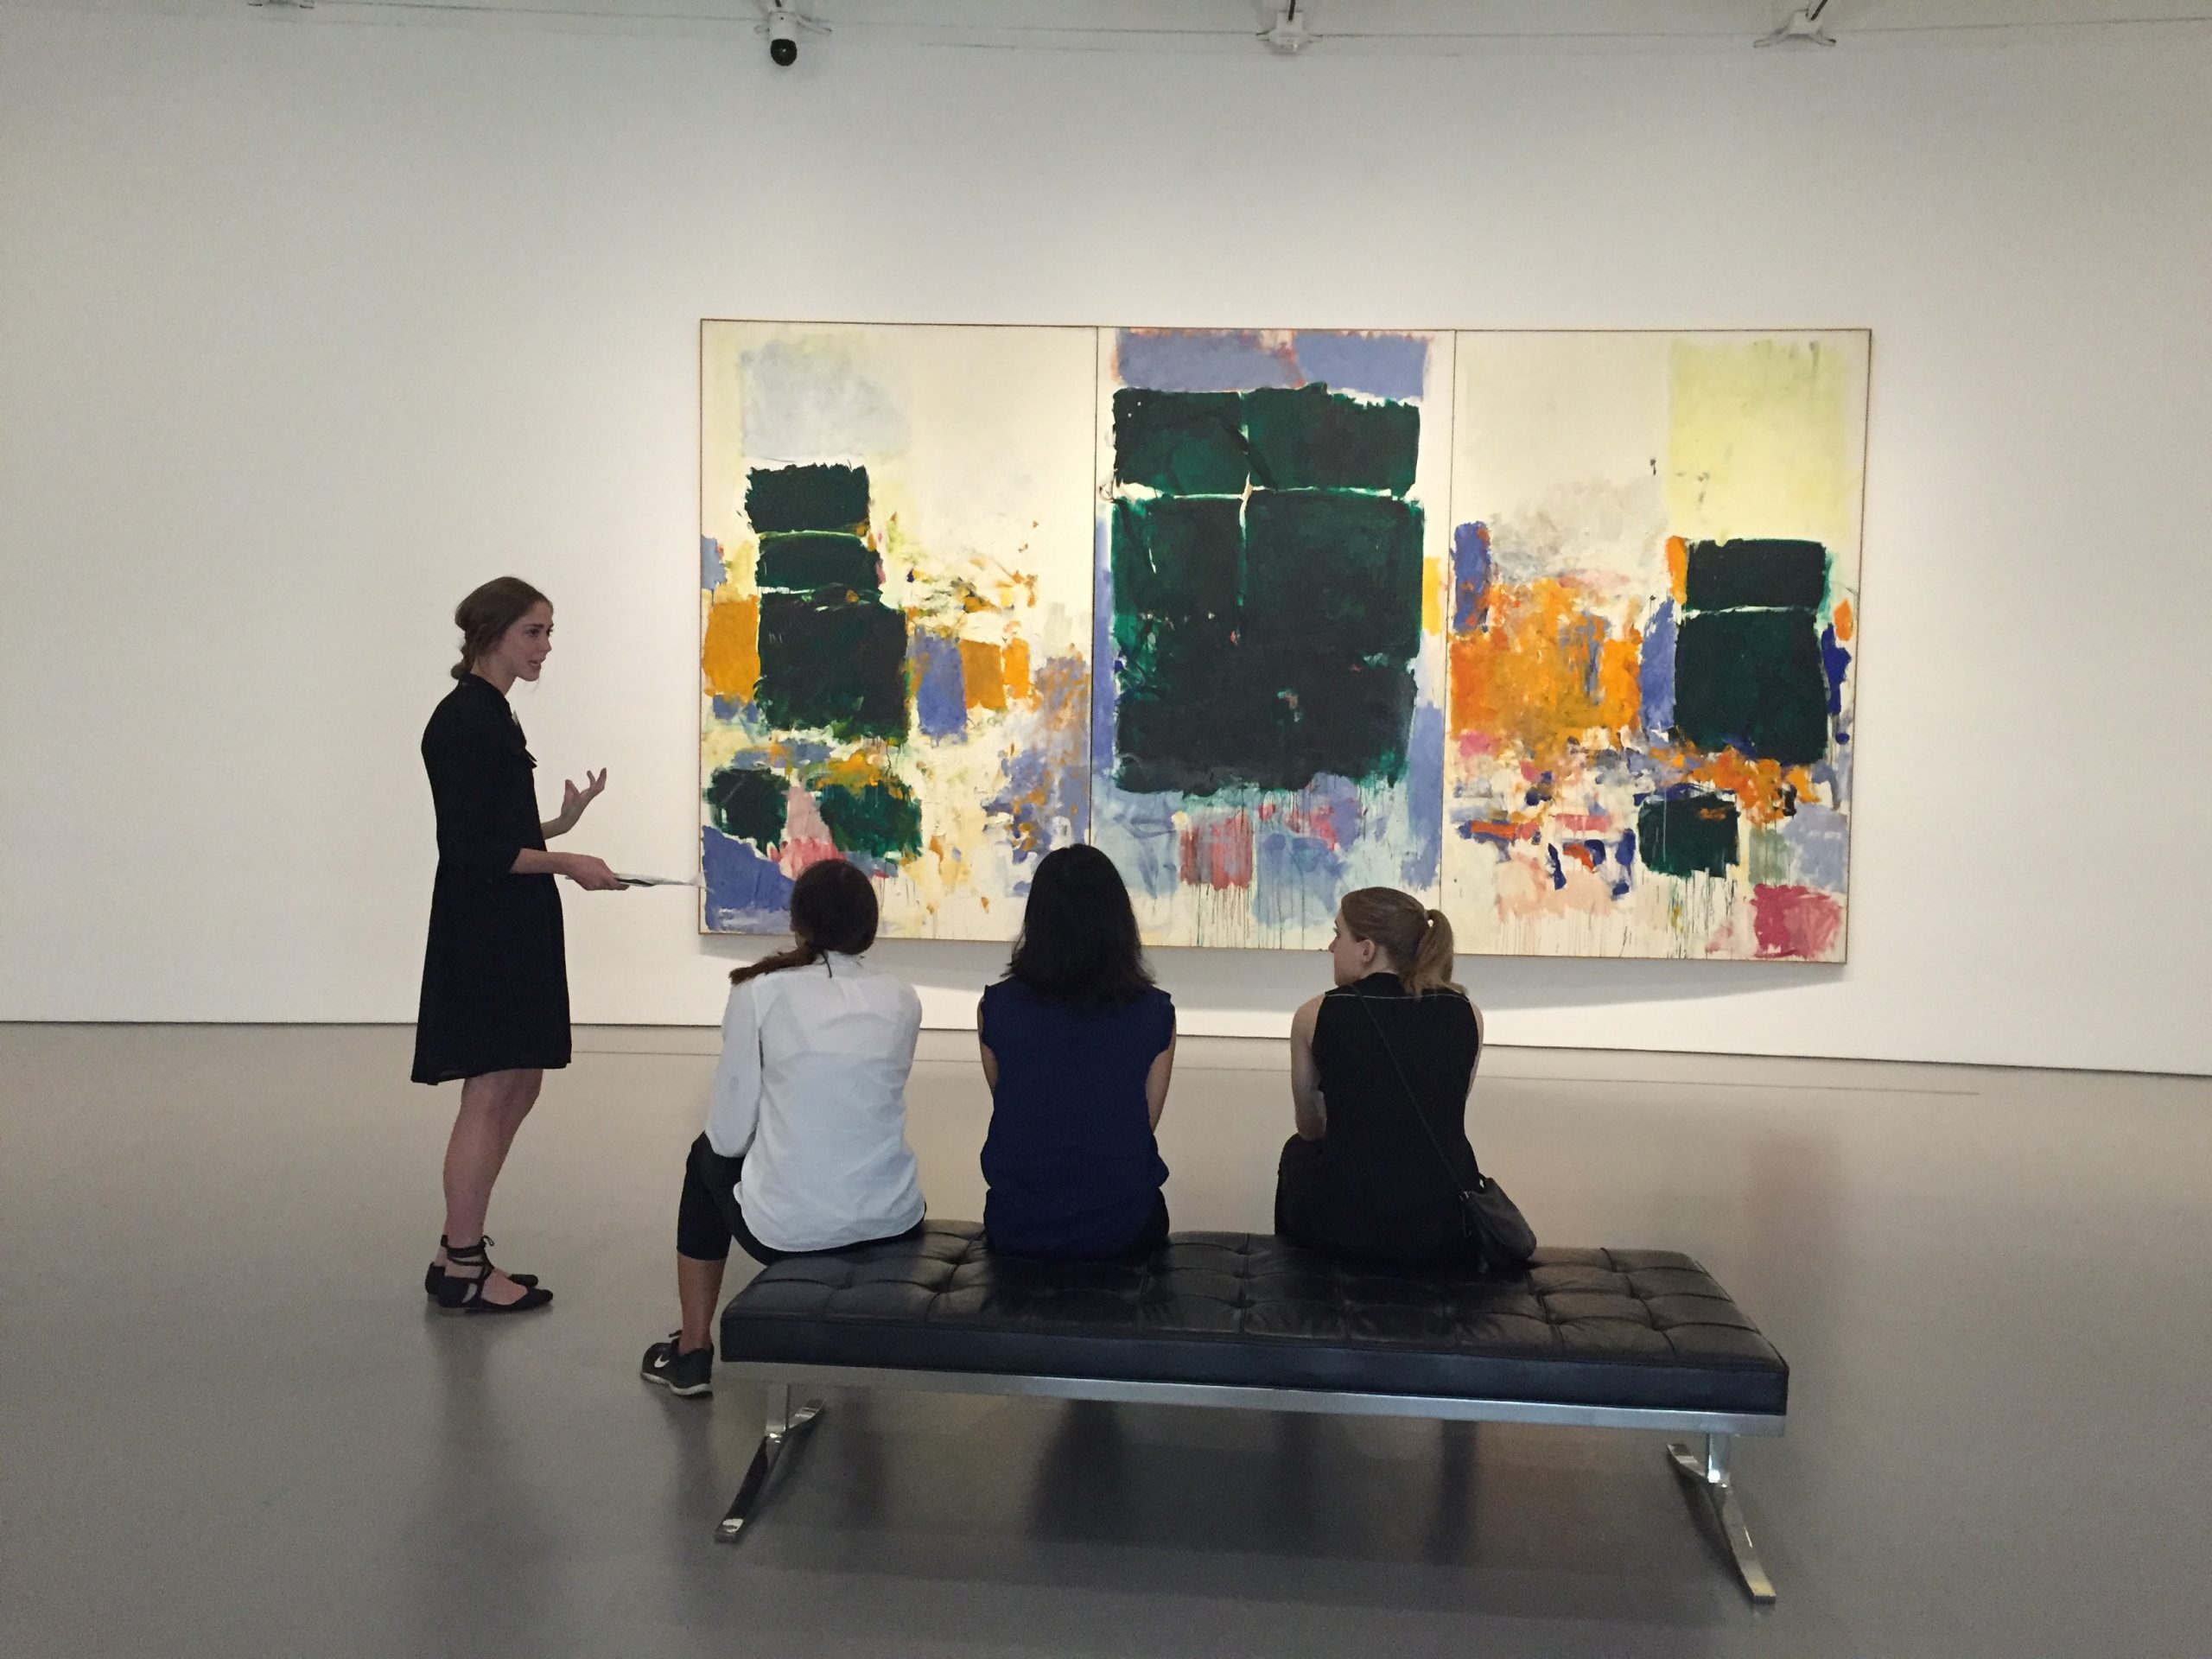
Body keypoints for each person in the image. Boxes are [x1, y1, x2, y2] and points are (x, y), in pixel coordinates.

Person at [415, 576, 625, 1313]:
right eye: (534, 632)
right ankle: (465, 1263)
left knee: (521, 1081)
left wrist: (560, 826)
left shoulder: (491, 716)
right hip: (488, 926)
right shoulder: (465, 720)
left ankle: (456, 1251)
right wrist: (570, 861)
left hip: (511, 921)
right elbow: (475, 850)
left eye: (549, 633)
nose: (545, 647)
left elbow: (499, 831)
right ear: (493, 633)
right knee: (492, 1088)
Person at [641, 859, 926, 1398]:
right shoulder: (902, 997)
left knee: (703, 1158)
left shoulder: (760, 992)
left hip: (791, 1231)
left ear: (799, 921)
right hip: (895, 1219)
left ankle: (693, 1350)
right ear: (868, 925)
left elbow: (728, 1135)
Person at [976, 845, 1175, 1259]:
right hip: (1125, 1227)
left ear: (1037, 919)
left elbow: (1023, 1108)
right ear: (1120, 921)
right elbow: (1141, 1122)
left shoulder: (994, 1008)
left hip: (1019, 1226)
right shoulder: (1156, 1013)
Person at [1274, 888, 1487, 1265]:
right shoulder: (1467, 1012)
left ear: (1367, 950)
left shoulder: (1316, 1014)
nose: (1331, 946)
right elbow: (1441, 1111)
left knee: (1298, 1152)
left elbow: (1310, 1128)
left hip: (1350, 1229)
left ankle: (1299, 1274)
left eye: (1338, 933)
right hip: (1444, 1226)